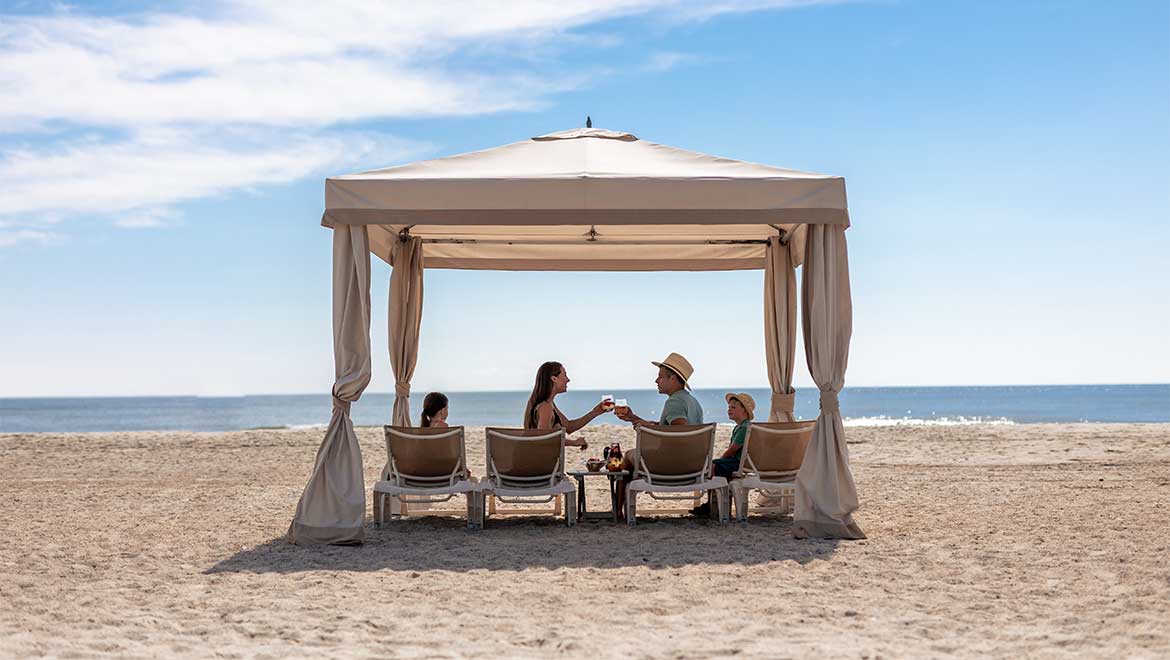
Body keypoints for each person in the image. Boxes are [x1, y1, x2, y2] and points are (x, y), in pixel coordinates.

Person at [613, 352, 703, 517]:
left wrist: (646, 431)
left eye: (660, 377)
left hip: (670, 466)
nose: (656, 381)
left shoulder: (674, 402)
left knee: (626, 457)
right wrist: (634, 418)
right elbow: (667, 428)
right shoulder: (692, 401)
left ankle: (618, 512)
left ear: (673, 379)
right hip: (693, 465)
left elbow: (679, 433)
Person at [691, 392, 755, 517]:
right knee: (718, 466)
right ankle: (714, 503)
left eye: (733, 407)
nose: (729, 410)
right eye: (729, 407)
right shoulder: (742, 426)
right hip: (741, 462)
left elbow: (733, 449)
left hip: (739, 463)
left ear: (744, 411)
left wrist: (721, 459)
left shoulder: (744, 428)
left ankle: (712, 505)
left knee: (714, 465)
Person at [522, 361, 608, 450]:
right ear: (554, 379)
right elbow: (544, 438)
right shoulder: (545, 407)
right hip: (541, 463)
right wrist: (574, 443)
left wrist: (595, 412)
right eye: (565, 375)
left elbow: (569, 426)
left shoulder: (548, 404)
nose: (568, 380)